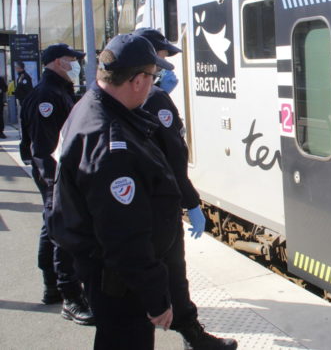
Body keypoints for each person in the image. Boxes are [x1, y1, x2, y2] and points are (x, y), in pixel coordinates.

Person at [48, 34, 183, 349]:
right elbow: (124, 236)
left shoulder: (90, 107)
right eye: (152, 77)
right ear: (137, 80)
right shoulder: (111, 142)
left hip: (109, 276)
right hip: (123, 283)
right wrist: (156, 297)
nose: (154, 84)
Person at [136, 27, 237, 350]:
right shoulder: (156, 99)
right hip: (159, 206)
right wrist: (192, 202)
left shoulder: (141, 98)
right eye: (163, 57)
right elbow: (174, 158)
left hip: (149, 203)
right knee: (174, 274)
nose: (168, 67)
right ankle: (194, 338)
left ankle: (191, 333)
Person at [18, 43, 94, 325]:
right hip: (56, 176)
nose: (75, 64)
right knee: (62, 230)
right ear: (58, 63)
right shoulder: (46, 96)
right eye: (72, 60)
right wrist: (56, 184)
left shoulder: (58, 91)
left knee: (52, 226)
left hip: (60, 175)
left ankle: (54, 287)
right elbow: (44, 146)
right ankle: (69, 296)